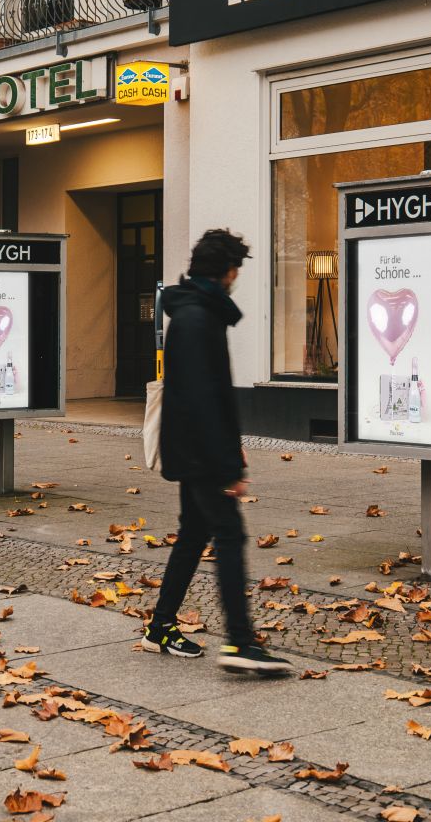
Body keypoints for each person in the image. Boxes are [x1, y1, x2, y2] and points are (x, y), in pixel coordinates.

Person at [145, 229, 291, 675]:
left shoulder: (194, 312)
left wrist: (235, 452)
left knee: (193, 535)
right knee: (230, 537)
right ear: (227, 272)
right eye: (237, 270)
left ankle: (160, 627)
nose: (237, 279)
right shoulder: (197, 319)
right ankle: (240, 643)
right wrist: (228, 465)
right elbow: (204, 399)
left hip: (196, 450)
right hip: (202, 454)